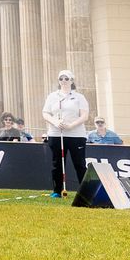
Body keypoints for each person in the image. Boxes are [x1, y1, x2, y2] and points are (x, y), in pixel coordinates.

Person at [42, 69, 89, 197]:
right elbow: (45, 113)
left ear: (71, 81)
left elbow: (84, 116)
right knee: (57, 163)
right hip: (56, 134)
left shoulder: (79, 97)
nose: (63, 81)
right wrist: (55, 122)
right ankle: (56, 191)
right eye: (61, 79)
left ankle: (85, 192)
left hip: (76, 135)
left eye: (66, 79)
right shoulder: (52, 96)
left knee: (79, 163)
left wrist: (70, 126)